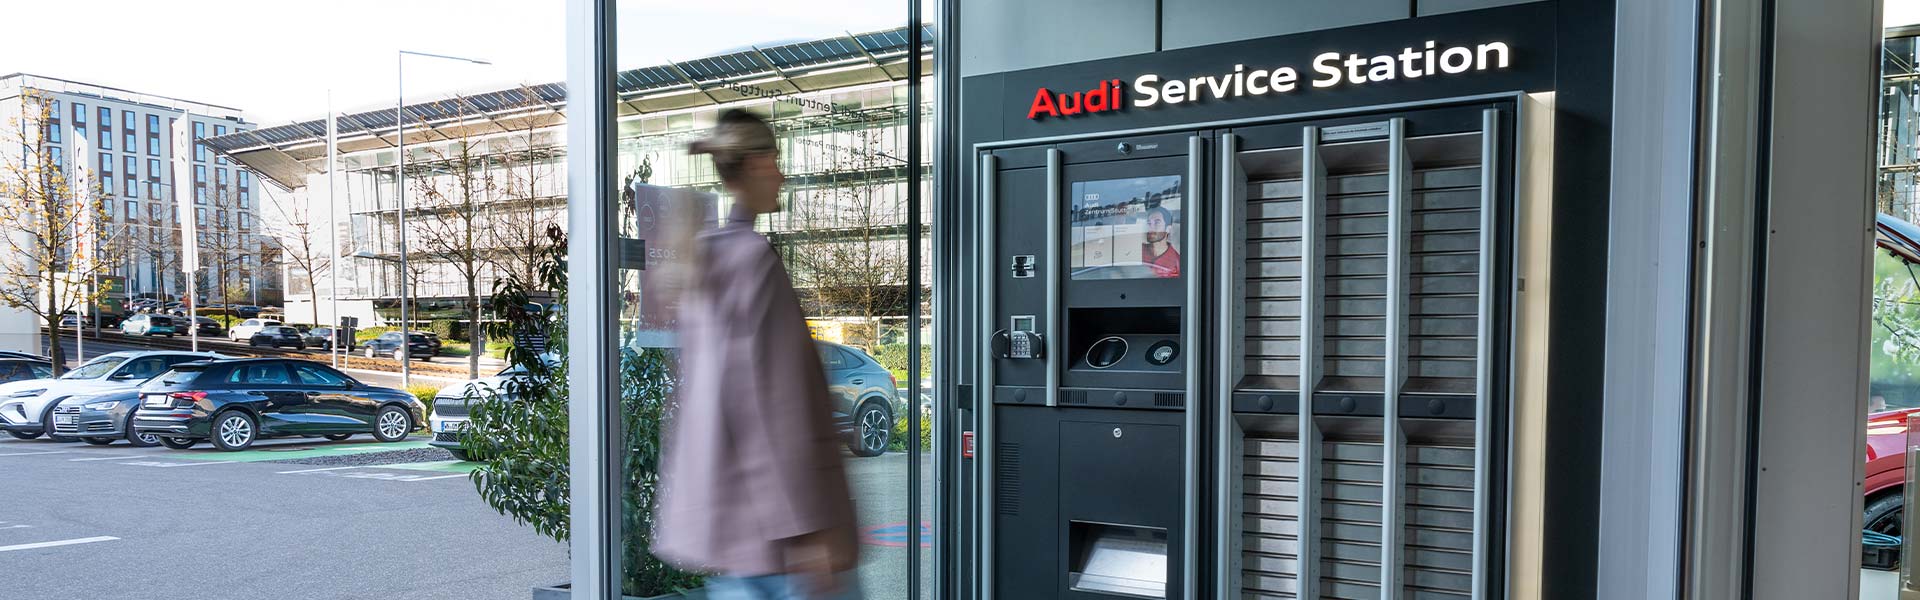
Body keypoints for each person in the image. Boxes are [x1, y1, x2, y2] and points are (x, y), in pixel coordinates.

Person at [654, 109, 861, 600]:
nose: (782, 175)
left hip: (736, 536)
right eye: (776, 160)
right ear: (755, 164)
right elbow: (771, 408)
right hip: (786, 545)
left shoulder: (709, 255)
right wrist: (806, 530)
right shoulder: (750, 261)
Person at [1141, 206, 1181, 278]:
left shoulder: (1177, 262)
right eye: (1149, 223)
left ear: (1168, 229)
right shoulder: (1137, 251)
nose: (1151, 228)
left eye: (1157, 223)